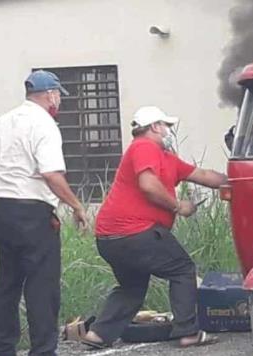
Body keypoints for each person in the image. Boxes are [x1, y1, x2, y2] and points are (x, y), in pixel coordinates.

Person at [83, 106, 228, 349]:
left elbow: (202, 174)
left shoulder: (166, 158)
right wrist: (177, 206)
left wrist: (235, 180)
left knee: (132, 286)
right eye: (166, 126)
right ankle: (187, 332)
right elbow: (148, 185)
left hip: (110, 238)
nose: (168, 131)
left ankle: (98, 334)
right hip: (135, 232)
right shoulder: (144, 146)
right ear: (154, 127)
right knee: (182, 270)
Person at [0, 70, 89, 356]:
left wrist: (2, 192)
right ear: (51, 95)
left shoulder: (3, 121)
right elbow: (51, 173)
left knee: (7, 282)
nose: (59, 102)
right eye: (58, 96)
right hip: (33, 212)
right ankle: (42, 350)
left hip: (2, 209)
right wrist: (77, 206)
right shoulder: (45, 124)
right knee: (42, 284)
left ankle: (3, 349)